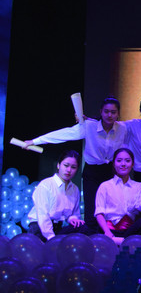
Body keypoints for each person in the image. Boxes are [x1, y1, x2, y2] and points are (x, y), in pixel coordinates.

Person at [23, 97, 128, 229]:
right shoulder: (89, 126)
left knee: (109, 209)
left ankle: (108, 237)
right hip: (92, 172)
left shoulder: (123, 128)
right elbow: (64, 134)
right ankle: (92, 238)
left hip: (110, 171)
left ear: (118, 114)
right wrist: (34, 141)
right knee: (92, 210)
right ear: (101, 111)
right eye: (106, 111)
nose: (109, 115)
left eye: (113, 112)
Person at [27, 150, 89, 241]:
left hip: (58, 228)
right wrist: (51, 238)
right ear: (58, 165)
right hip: (40, 227)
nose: (69, 170)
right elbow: (43, 216)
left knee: (83, 228)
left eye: (73, 167)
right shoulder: (46, 185)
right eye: (66, 165)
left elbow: (73, 214)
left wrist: (72, 219)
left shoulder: (75, 189)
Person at [94, 147, 141, 239]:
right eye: (119, 161)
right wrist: (107, 232)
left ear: (132, 164)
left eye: (127, 161)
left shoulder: (138, 186)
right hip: (109, 231)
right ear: (114, 164)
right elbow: (99, 213)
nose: (123, 164)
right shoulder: (105, 186)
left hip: (130, 231)